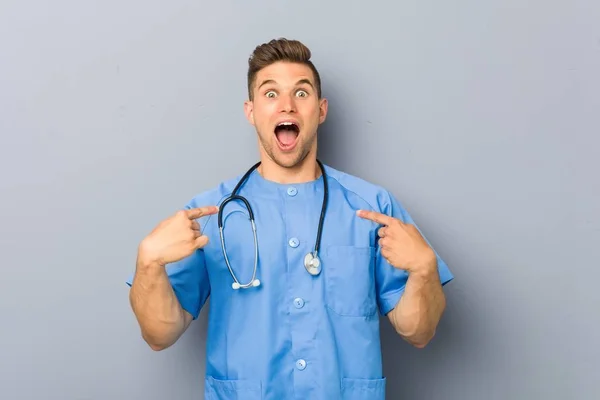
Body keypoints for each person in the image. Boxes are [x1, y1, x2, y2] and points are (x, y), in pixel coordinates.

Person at [126, 37, 454, 399]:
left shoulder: (373, 208)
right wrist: (148, 262)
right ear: (250, 111)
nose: (287, 106)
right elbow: (160, 334)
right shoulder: (210, 214)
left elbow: (419, 332)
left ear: (321, 109)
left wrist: (424, 268)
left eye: (301, 93)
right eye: (270, 94)